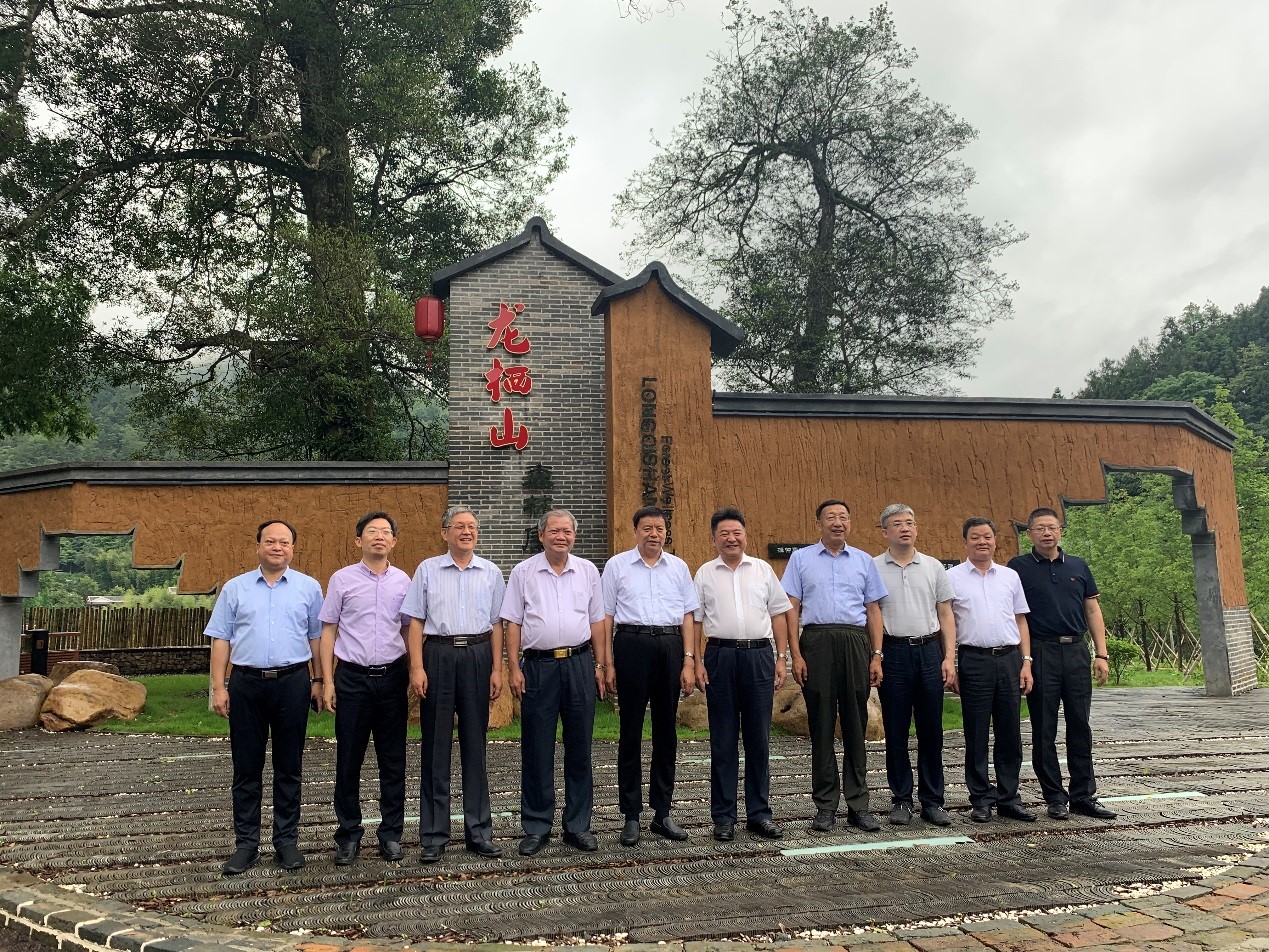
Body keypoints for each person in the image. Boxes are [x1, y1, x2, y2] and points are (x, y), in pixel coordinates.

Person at [207, 519, 323, 875]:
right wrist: (219, 687)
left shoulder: (309, 588)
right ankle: (246, 844)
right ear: (258, 546)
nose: (277, 547)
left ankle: (286, 841)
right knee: (246, 767)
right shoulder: (235, 588)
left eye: (284, 542)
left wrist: (319, 679)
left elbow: (316, 637)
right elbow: (221, 638)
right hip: (246, 684)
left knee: (289, 766)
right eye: (270, 541)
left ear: (293, 548)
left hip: (293, 682)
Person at [401, 505, 507, 863]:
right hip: (439, 655)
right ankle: (434, 834)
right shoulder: (428, 569)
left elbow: (497, 623)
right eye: (459, 526)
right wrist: (417, 667)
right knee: (435, 746)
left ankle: (479, 831)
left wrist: (497, 669)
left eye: (472, 526)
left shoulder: (491, 572)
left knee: (476, 745)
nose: (467, 532)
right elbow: (415, 621)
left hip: (478, 655)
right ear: (444, 533)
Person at [502, 509, 610, 856]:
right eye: (554, 531)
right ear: (541, 535)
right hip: (538, 667)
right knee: (537, 747)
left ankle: (578, 825)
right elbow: (513, 622)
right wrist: (513, 667)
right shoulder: (523, 572)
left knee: (580, 747)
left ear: (574, 536)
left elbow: (597, 621)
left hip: (579, 664)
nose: (561, 536)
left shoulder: (588, 571)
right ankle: (537, 825)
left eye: (567, 531)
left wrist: (601, 664)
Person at [781, 499, 887, 833]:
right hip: (817, 642)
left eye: (843, 516)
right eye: (831, 517)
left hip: (855, 642)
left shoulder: (864, 561)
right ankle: (825, 805)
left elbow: (873, 610)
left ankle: (859, 804)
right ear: (819, 523)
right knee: (821, 724)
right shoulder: (801, 559)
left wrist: (876, 654)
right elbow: (791, 608)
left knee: (856, 724)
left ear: (850, 523)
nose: (837, 522)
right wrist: (795, 655)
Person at [1008, 508, 1116, 821]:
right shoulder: (1017, 568)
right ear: (1029, 533)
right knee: (1044, 727)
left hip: (1076, 651)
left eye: (1052, 528)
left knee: (1080, 725)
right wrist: (1025, 659)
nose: (1047, 533)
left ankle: (1084, 795)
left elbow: (1092, 609)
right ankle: (1055, 797)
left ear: (1061, 531)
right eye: (1040, 528)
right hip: (1041, 652)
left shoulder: (1078, 566)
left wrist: (1101, 653)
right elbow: (1016, 615)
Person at [693, 507, 792, 842]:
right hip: (719, 656)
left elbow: (778, 614)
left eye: (736, 533)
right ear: (714, 538)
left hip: (759, 656)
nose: (731, 539)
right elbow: (695, 620)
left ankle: (759, 814)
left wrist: (781, 658)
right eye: (724, 534)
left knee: (758, 738)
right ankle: (723, 817)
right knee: (722, 740)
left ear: (745, 536)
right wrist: (696, 661)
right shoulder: (705, 573)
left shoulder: (763, 570)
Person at [602, 505, 699, 847]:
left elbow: (688, 616)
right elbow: (606, 617)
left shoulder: (678, 567)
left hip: (670, 645)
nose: (654, 534)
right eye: (647, 528)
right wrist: (608, 663)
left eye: (659, 528)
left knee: (666, 731)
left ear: (666, 533)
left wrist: (688, 660)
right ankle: (630, 815)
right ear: (635, 531)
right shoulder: (617, 566)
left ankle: (663, 812)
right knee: (630, 730)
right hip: (632, 644)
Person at [318, 511, 411, 866]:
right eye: (372, 531)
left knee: (393, 760)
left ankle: (391, 834)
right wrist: (327, 681)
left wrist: (414, 670)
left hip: (392, 677)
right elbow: (329, 629)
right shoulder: (341, 580)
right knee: (348, 759)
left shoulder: (403, 581)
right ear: (359, 540)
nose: (379, 536)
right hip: (352, 679)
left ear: (394, 541)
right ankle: (348, 835)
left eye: (386, 532)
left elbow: (407, 628)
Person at [873, 504, 957, 827]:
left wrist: (948, 657)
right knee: (895, 730)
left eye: (910, 522)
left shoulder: (933, 567)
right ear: (885, 532)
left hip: (929, 651)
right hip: (893, 652)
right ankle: (901, 799)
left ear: (916, 528)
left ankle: (933, 801)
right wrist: (876, 655)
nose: (905, 528)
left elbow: (945, 614)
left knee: (931, 730)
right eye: (897, 524)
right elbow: (871, 613)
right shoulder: (873, 567)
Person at [947, 517, 1035, 823]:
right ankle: (981, 799)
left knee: (1010, 731)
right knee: (976, 732)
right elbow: (948, 623)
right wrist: (952, 663)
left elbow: (1021, 620)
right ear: (965, 541)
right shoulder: (952, 578)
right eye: (975, 537)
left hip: (1009, 659)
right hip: (974, 660)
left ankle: (1009, 798)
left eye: (987, 536)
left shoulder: (1010, 577)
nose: (981, 542)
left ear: (995, 540)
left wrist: (1026, 662)